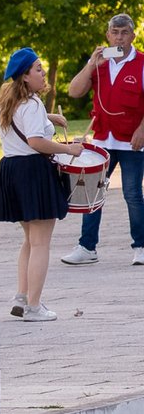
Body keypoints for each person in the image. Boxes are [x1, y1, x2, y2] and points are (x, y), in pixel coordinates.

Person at [0, 48, 83, 321]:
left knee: (30, 241)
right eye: (37, 69)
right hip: (33, 170)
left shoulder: (6, 102)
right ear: (24, 76)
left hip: (12, 169)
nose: (43, 72)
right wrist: (70, 150)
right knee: (41, 243)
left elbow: (26, 125)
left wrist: (49, 118)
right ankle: (34, 306)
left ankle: (22, 297)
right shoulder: (31, 104)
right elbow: (35, 141)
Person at [62, 13, 144, 267]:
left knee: (132, 193)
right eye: (114, 32)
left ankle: (140, 246)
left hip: (131, 140)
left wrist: (143, 129)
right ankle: (87, 247)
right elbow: (74, 92)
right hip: (102, 139)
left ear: (132, 35)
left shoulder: (141, 63)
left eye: (124, 33)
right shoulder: (99, 63)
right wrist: (90, 64)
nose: (119, 37)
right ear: (107, 35)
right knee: (92, 191)